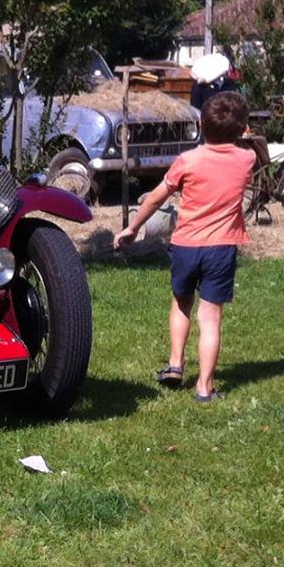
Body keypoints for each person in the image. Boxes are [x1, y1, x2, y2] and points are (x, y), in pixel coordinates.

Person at [112, 89, 258, 403]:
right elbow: (249, 144)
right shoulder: (247, 159)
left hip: (186, 246)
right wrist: (243, 133)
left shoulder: (187, 161)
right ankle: (204, 388)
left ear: (202, 126)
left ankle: (176, 364)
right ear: (241, 128)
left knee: (181, 303)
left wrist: (133, 228)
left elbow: (155, 197)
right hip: (221, 248)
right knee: (211, 317)